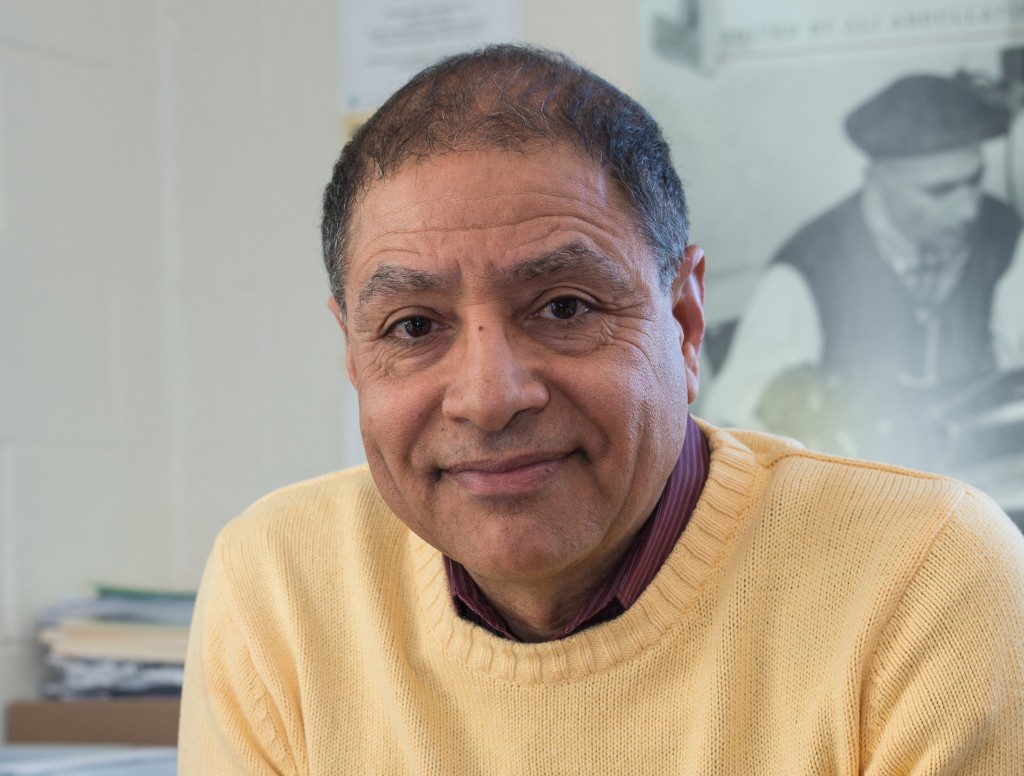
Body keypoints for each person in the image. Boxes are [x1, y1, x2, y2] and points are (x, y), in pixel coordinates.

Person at [178, 46, 1024, 773]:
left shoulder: (924, 576)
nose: (490, 396)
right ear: (354, 352)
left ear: (686, 324)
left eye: (566, 308)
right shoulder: (281, 586)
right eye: (413, 326)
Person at [703, 73, 1024, 473]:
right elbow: (733, 416)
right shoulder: (808, 267)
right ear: (880, 179)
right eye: (941, 191)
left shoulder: (1005, 235)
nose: (969, 210)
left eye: (974, 181)